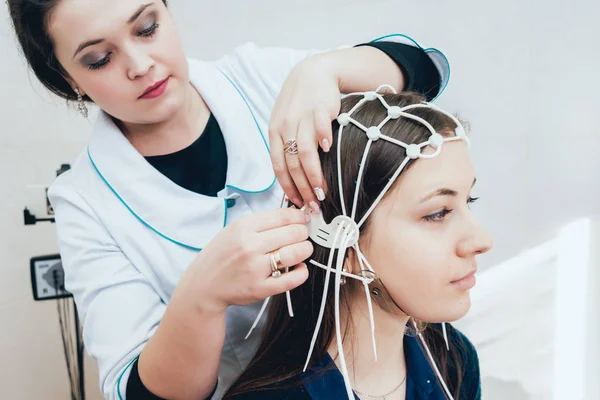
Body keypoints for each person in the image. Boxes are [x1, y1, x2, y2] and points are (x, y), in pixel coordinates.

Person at [7, 0, 451, 398]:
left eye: (147, 28)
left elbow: (429, 70)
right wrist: (203, 296)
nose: (140, 64)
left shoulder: (259, 78)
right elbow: (134, 391)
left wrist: (324, 69)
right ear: (69, 80)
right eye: (100, 59)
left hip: (390, 373)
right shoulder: (85, 202)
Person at [224, 92, 493, 400]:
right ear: (343, 246)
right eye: (437, 213)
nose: (482, 241)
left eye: (468, 201)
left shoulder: (453, 361)